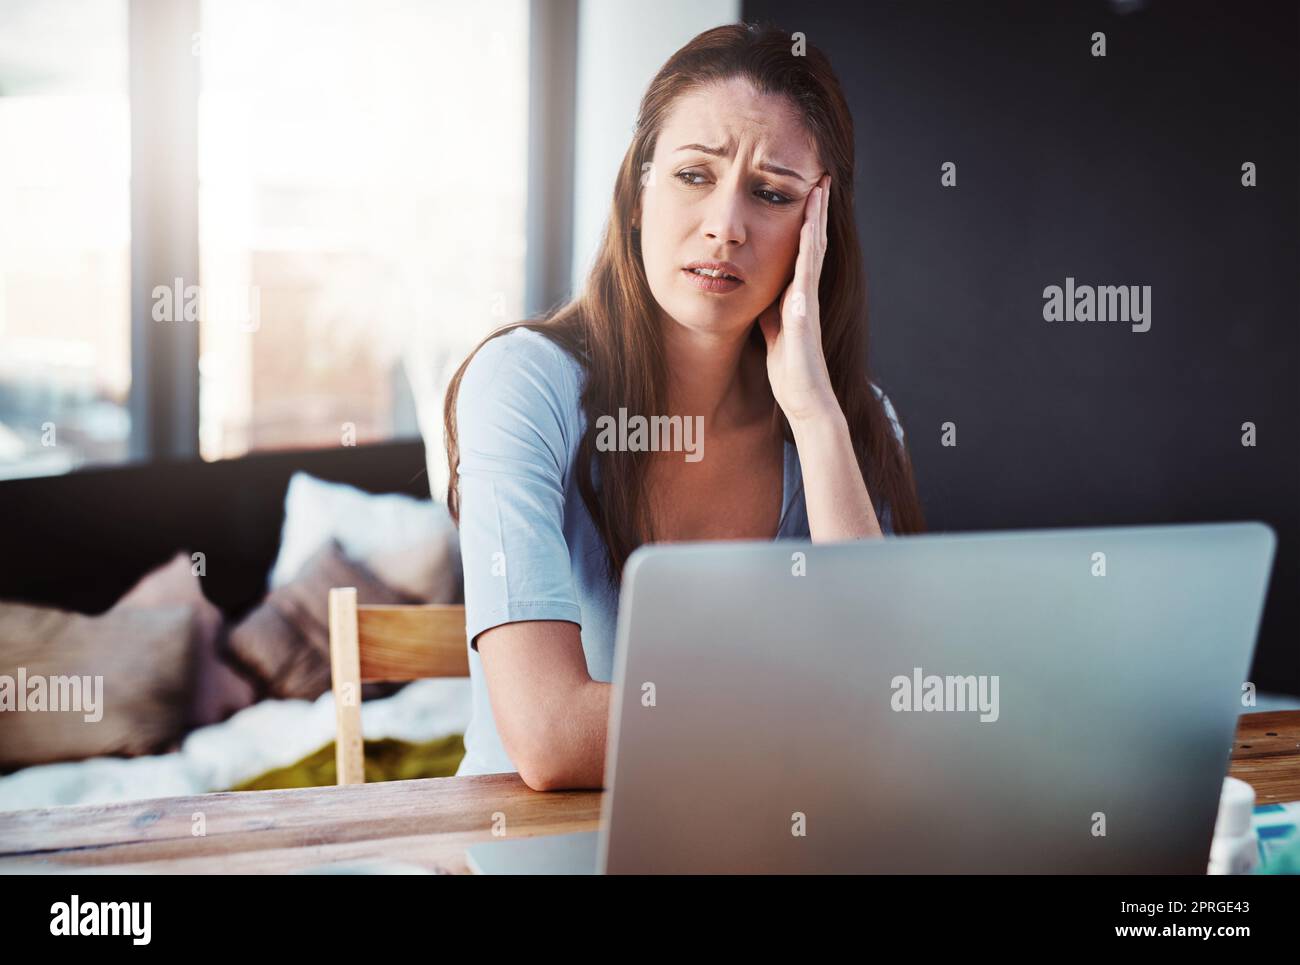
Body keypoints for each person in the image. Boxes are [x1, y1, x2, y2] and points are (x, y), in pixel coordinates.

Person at [442, 22, 924, 789]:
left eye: (771, 194)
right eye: (695, 176)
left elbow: (894, 703)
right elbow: (550, 734)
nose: (725, 226)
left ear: (817, 232)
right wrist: (822, 704)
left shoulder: (851, 420)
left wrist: (816, 415)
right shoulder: (523, 384)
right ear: (638, 194)